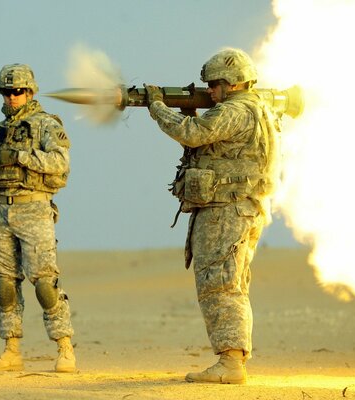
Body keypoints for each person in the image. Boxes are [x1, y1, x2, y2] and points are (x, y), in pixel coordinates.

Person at [143, 48, 281, 384]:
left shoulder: (235, 110)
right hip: (242, 208)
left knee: (219, 283)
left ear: (232, 83)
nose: (211, 92)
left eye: (215, 85)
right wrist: (190, 111)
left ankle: (231, 363)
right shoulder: (258, 109)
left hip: (226, 211)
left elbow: (193, 134)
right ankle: (232, 358)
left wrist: (157, 106)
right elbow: (213, 145)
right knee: (231, 282)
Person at [0, 63, 76, 373]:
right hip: (1, 212)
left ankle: (64, 348)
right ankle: (11, 349)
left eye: (17, 92)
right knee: (5, 285)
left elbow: (60, 163)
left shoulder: (46, 126)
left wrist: (20, 156)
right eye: (6, 93)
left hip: (35, 210)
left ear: (30, 92)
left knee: (45, 285)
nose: (11, 98)